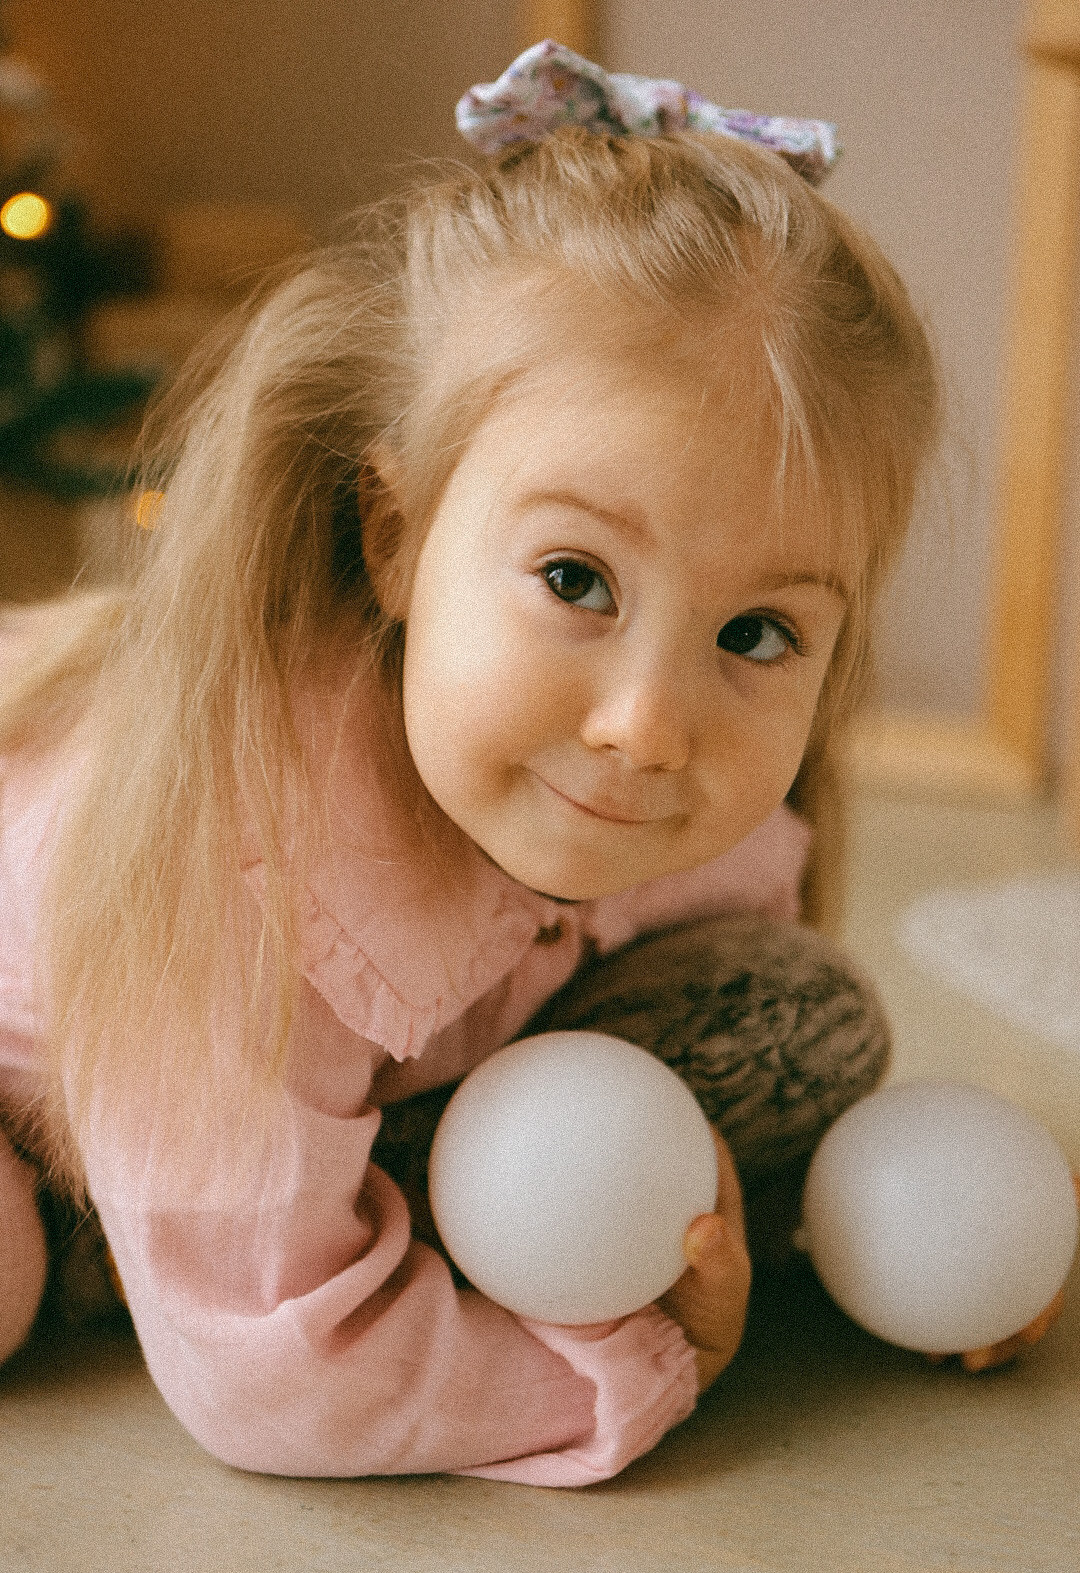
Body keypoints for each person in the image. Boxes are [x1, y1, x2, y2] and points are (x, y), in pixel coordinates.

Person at [0, 42, 1058, 1486]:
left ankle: (247, 1215)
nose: (647, 725)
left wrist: (924, 1239)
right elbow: (279, 1389)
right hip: (44, 1096)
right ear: (397, 535)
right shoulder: (263, 869)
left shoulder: (676, 801)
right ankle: (171, 1241)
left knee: (800, 1014)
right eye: (576, 579)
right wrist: (644, 1360)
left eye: (756, 632)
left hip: (294, 1092)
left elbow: (754, 1059)